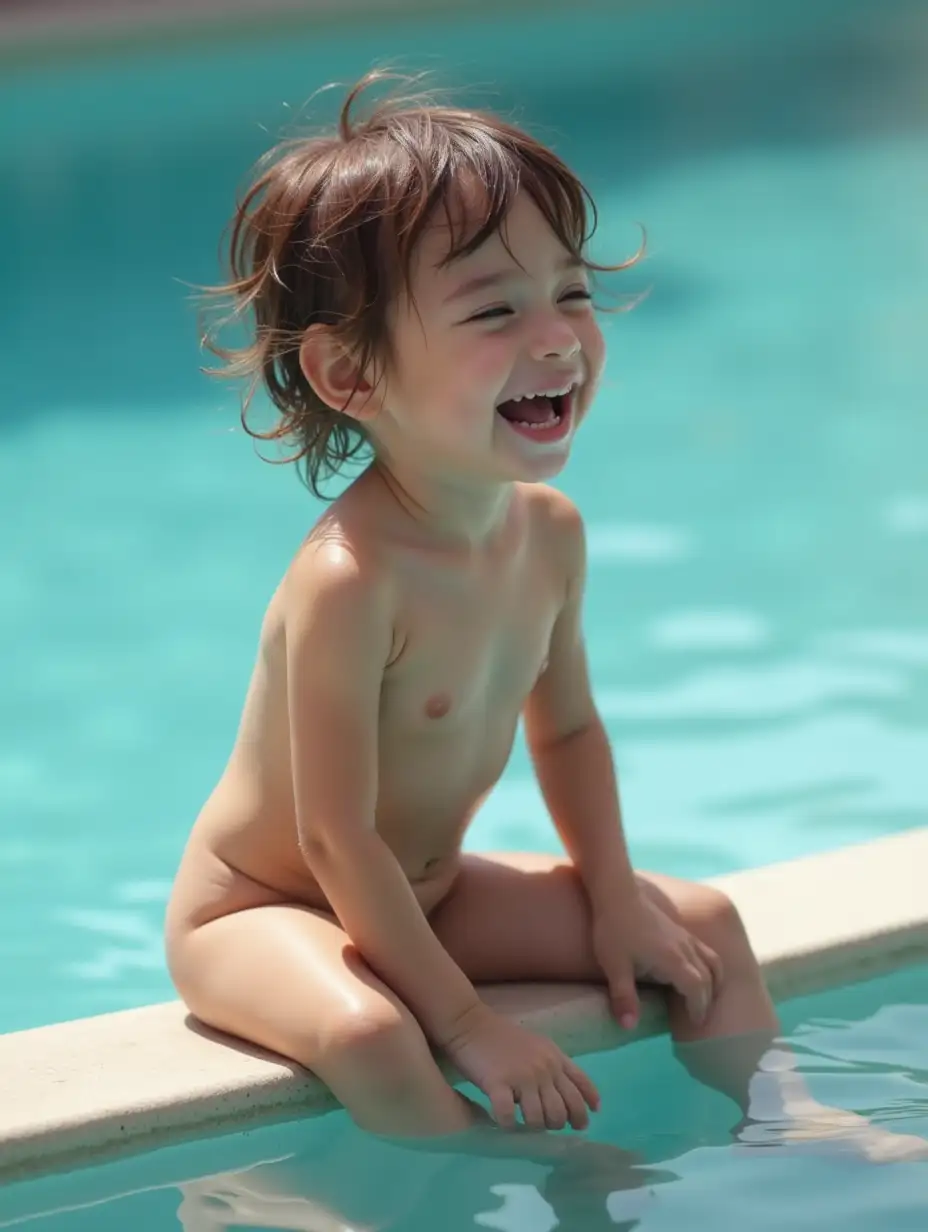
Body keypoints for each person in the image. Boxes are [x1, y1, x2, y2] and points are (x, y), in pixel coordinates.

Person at [165, 72, 926, 1164]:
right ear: (346, 371)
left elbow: (565, 731)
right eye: (492, 309)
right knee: (370, 1029)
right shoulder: (348, 578)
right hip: (261, 909)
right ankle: (519, 1168)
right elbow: (336, 838)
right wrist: (469, 1024)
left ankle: (783, 1123)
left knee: (698, 921)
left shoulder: (547, 533)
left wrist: (615, 899)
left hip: (422, 893)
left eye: (570, 292)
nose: (558, 335)